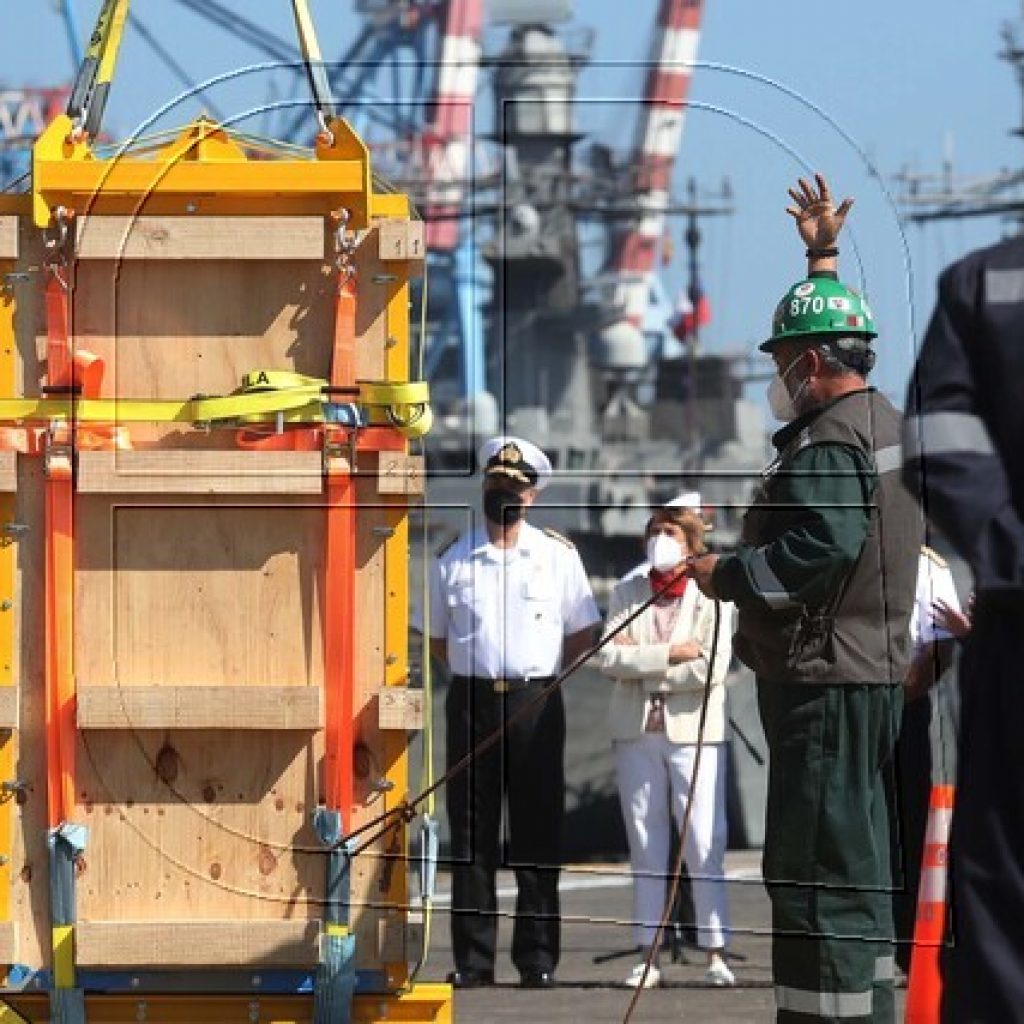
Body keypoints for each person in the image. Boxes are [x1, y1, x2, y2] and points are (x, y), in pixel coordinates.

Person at [687, 174, 922, 1022]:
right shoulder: (890, 426)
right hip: (872, 674)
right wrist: (820, 257)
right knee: (854, 867)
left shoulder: (825, 443)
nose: (780, 377)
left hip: (820, 688)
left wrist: (731, 577)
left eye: (785, 363)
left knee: (816, 878)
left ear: (813, 363)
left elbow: (825, 544)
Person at [901, 233, 1024, 1022]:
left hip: (1018, 620)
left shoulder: (987, 284)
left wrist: (1009, 544)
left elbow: (931, 436)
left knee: (1006, 898)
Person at [428, 436, 600, 989]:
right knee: (472, 837)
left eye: (514, 487)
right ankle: (474, 962)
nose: (503, 493)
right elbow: (437, 640)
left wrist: (543, 684)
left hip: (535, 701)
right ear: (484, 488)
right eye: (496, 484)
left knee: (537, 833)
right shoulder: (452, 559)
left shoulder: (557, 556)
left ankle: (537, 959)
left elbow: (582, 630)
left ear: (531, 497)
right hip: (472, 703)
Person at [595, 505, 734, 989]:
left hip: (693, 733)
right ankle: (647, 952)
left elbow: (710, 670)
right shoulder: (626, 592)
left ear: (691, 543)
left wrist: (642, 661)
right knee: (646, 843)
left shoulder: (714, 599)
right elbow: (608, 656)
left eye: (670, 531)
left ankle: (716, 949)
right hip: (637, 732)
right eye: (655, 530)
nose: (660, 539)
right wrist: (672, 653)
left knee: (702, 841)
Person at [891, 545, 961, 977]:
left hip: (904, 708)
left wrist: (899, 697)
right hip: (848, 707)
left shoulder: (926, 565)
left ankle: (909, 947)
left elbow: (940, 644)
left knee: (910, 828)